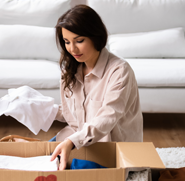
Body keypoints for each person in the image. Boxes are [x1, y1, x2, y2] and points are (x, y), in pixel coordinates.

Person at [50, 5, 143, 170]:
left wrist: (72, 142)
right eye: (67, 42)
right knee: (43, 156)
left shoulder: (120, 71)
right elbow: (73, 115)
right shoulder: (70, 69)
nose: (72, 49)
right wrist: (41, 109)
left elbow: (107, 118)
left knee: (65, 169)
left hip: (110, 149)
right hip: (81, 139)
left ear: (96, 36)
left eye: (79, 41)